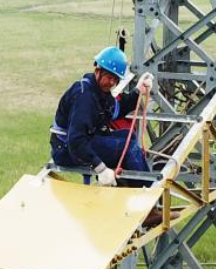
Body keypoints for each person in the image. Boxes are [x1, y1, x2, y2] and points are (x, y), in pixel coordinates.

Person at [50, 46, 154, 186]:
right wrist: (101, 168)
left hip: (80, 143)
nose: (112, 83)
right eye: (109, 77)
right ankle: (146, 189)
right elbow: (76, 141)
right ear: (97, 71)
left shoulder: (99, 92)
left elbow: (117, 109)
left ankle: (130, 184)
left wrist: (138, 90)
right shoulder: (85, 97)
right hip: (67, 150)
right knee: (127, 145)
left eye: (115, 79)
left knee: (128, 135)